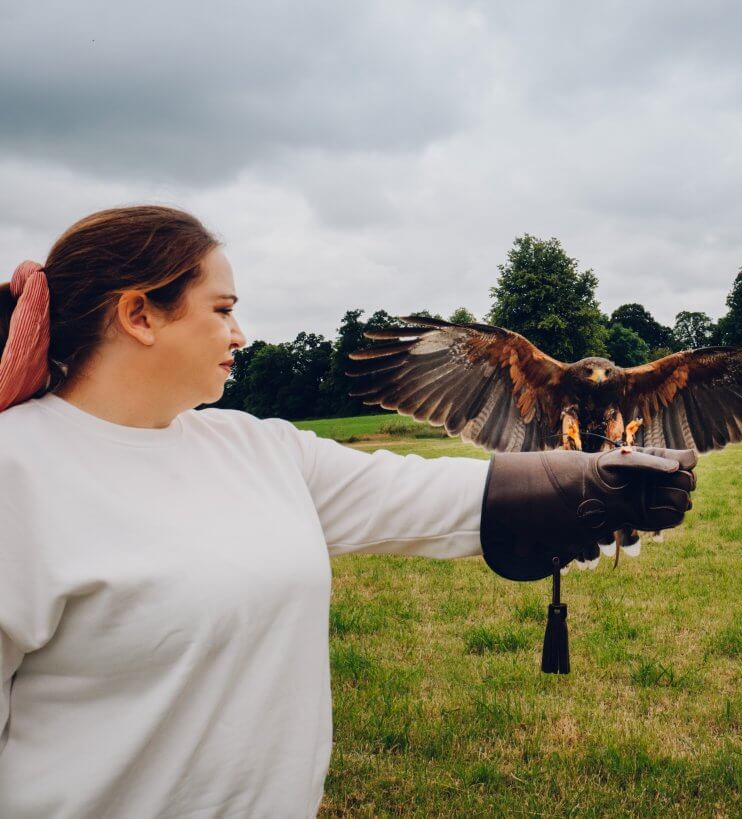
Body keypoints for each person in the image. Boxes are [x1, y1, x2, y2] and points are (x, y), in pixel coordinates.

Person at [0, 205, 697, 818]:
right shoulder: (18, 470)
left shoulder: (255, 446)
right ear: (138, 314)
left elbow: (416, 497)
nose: (239, 334)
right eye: (221, 309)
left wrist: (590, 483)